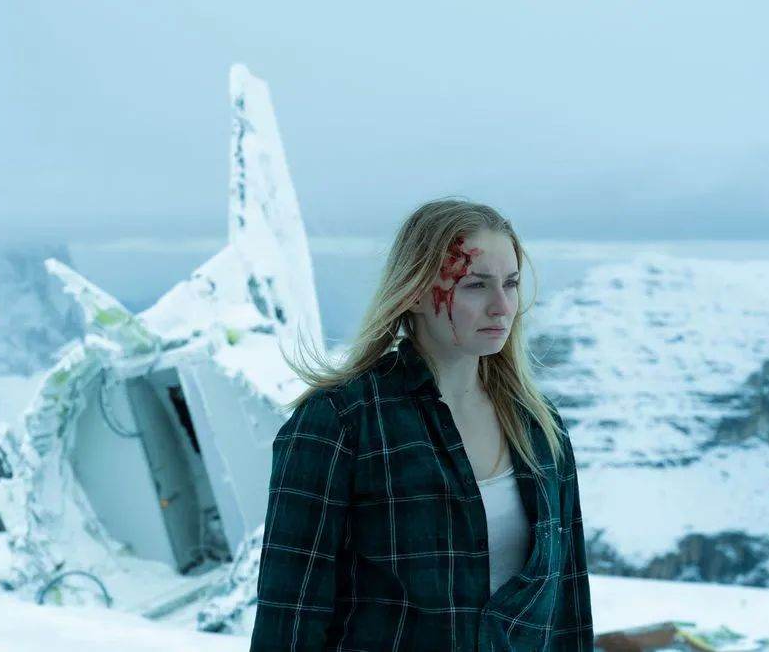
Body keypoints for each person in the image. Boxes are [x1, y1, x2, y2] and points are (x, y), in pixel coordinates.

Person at [249, 199, 593, 651]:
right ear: (413, 292)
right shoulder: (340, 422)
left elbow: (567, 609)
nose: (502, 307)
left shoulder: (540, 427)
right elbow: (289, 621)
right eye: (475, 285)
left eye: (510, 284)